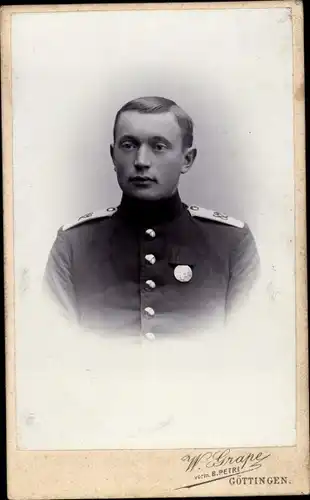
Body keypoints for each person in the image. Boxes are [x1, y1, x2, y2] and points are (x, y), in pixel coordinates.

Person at [43, 96, 260, 339]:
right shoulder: (73, 245)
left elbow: (245, 346)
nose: (141, 162)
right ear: (113, 156)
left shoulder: (231, 243)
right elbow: (56, 348)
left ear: (186, 160)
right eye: (128, 145)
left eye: (159, 147)